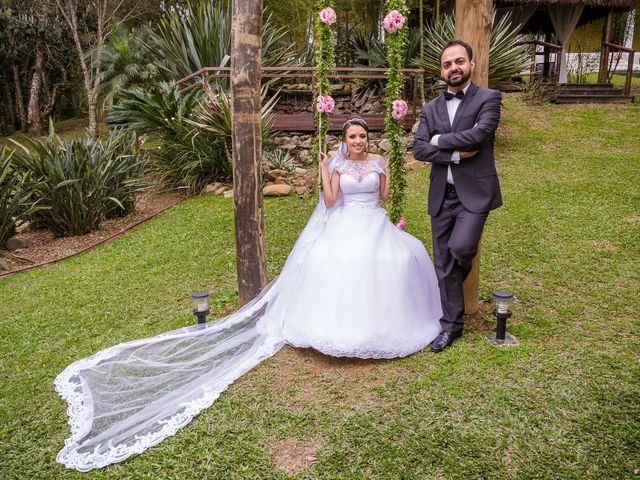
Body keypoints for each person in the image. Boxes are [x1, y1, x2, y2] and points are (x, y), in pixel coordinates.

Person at [55, 115, 443, 471]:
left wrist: (386, 176)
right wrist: (325, 170)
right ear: (344, 140)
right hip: (344, 221)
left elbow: (385, 200)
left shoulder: (378, 163)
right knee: (337, 260)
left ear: (367, 138)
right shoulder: (338, 164)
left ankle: (381, 325)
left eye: (362, 136)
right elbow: (329, 202)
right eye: (352, 137)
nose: (358, 141)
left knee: (399, 257)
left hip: (374, 222)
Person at [413, 40, 503, 353]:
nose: (454, 68)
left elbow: (481, 135)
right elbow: (419, 149)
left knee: (460, 249)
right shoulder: (430, 108)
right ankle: (452, 326)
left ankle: (451, 301)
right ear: (442, 70)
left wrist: (439, 140)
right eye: (448, 64)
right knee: (443, 262)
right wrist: (454, 154)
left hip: (475, 193)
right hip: (442, 193)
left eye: (459, 61)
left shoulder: (489, 98)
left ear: (471, 64)